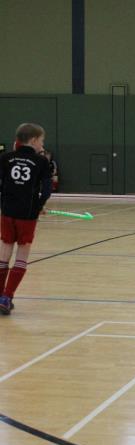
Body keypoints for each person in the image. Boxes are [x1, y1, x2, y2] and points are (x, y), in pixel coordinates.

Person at [0, 123, 52, 314]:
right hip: (27, 216)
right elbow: (46, 191)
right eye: (42, 141)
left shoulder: (5, 158)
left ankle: (0, 296)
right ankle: (6, 297)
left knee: (4, 253)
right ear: (33, 140)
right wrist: (39, 207)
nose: (42, 145)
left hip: (7, 212)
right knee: (22, 255)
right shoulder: (41, 162)